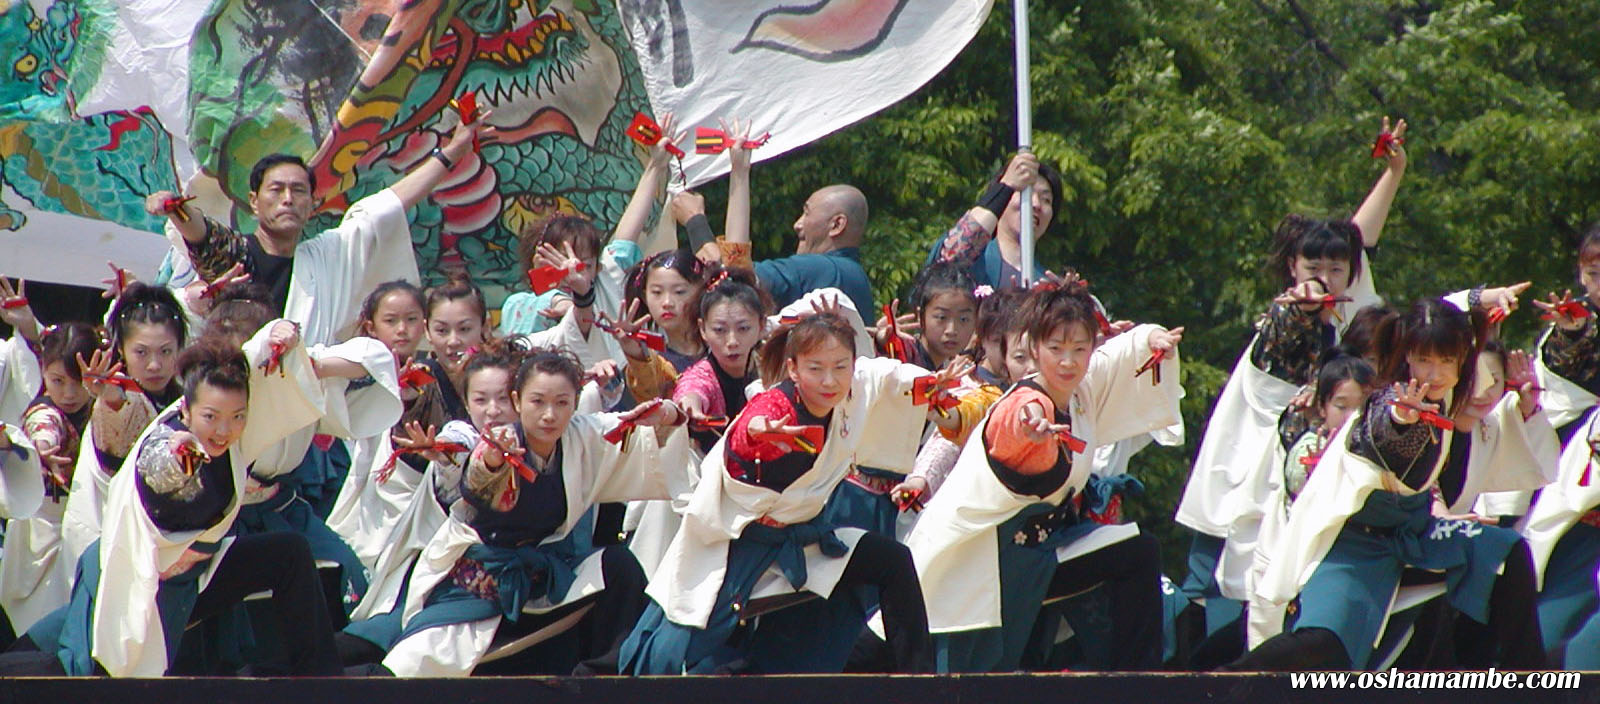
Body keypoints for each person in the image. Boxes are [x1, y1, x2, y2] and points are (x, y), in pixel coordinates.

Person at [1174, 119, 1410, 630]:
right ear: (1291, 267)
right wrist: (1301, 307)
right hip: (1243, 488)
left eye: (1335, 267)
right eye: (1312, 266)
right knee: (1212, 610)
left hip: (1308, 490)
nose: (1324, 277)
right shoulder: (1282, 325)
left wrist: (1395, 172)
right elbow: (1293, 320)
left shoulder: (1351, 316)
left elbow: (1360, 241)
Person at [622, 311, 945, 675]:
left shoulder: (855, 385)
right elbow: (750, 427)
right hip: (741, 543)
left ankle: (921, 682)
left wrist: (934, 386)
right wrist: (762, 434)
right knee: (679, 638)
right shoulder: (776, 404)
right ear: (793, 369)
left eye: (840, 366)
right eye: (815, 368)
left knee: (892, 561)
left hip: (806, 535)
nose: (829, 380)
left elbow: (889, 376)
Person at [1239, 298, 1550, 670]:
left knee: (1507, 553)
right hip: (1357, 543)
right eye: (1424, 360)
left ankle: (1530, 679)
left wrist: (1477, 302)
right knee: (1324, 644)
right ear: (1407, 358)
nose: (1435, 373)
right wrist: (1403, 418)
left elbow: (1450, 325)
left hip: (1417, 534)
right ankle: (1225, 681)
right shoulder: (1390, 400)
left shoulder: (1453, 387)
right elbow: (1389, 431)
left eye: (1446, 361)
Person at [6, 331, 341, 676]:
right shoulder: (165, 441)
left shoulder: (234, 431)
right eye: (210, 417)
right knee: (85, 665)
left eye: (237, 417)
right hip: (135, 575)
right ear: (186, 408)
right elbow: (158, 467)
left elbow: (261, 351)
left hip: (198, 573)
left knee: (290, 552)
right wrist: (178, 456)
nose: (224, 430)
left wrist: (281, 332)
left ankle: (323, 681)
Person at [345, 347, 689, 677]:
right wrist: (495, 462)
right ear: (517, 402)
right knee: (411, 667)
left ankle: (607, 673)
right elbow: (478, 480)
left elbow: (636, 431)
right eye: (537, 402)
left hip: (545, 581)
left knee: (618, 565)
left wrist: (669, 415)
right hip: (479, 584)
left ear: (575, 405)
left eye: (562, 403)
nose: (549, 414)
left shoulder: (582, 436)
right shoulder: (495, 442)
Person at [904, 281, 1184, 671]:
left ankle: (1138, 681)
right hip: (986, 558)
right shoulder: (1024, 401)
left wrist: (1153, 337)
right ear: (1034, 349)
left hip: (1042, 549)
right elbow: (1017, 422)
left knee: (1137, 551)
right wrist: (1031, 429)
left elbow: (1122, 352)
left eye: (1079, 349)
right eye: (1055, 349)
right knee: (971, 673)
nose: (1068, 361)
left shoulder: (1081, 390)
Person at [147, 117, 493, 345]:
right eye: (276, 190)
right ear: (254, 202)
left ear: (312, 203)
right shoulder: (235, 257)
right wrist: (175, 208)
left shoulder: (327, 256)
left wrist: (450, 154)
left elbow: (387, 204)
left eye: (298, 191)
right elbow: (201, 233)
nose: (287, 199)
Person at [60, 283, 189, 569]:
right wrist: (109, 395)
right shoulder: (120, 397)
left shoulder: (183, 399)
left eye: (166, 351)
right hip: (112, 544)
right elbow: (120, 409)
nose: (155, 364)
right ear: (121, 349)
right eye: (141, 353)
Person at [695, 125, 875, 314]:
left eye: (807, 213)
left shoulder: (823, 269)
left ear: (837, 225)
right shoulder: (854, 276)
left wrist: (695, 221)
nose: (797, 224)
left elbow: (735, 274)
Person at [0, 323, 97, 636]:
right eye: (58, 381)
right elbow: (44, 430)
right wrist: (39, 452)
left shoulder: (102, 406)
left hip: (91, 523)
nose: (68, 393)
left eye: (78, 382)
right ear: (43, 371)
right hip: (42, 527)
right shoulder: (44, 412)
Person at [925, 151, 1063, 288]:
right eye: (1024, 193)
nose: (1036, 204)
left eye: (1046, 200)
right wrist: (1007, 185)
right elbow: (949, 258)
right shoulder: (975, 262)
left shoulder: (1046, 284)